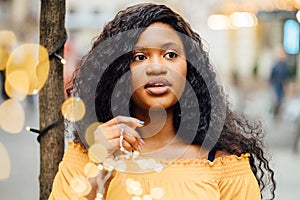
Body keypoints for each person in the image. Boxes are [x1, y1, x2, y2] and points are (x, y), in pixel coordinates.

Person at [49, 3, 276, 200]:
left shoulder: (223, 162)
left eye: (170, 55)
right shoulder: (95, 154)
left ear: (189, 69)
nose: (157, 67)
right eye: (139, 57)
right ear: (117, 72)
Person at [269, 45, 290, 116]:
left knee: (281, 100)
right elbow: (271, 76)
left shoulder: (285, 66)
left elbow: (287, 76)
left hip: (282, 85)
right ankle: (275, 112)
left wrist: (286, 84)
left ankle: (278, 112)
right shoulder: (275, 65)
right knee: (276, 99)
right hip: (276, 85)